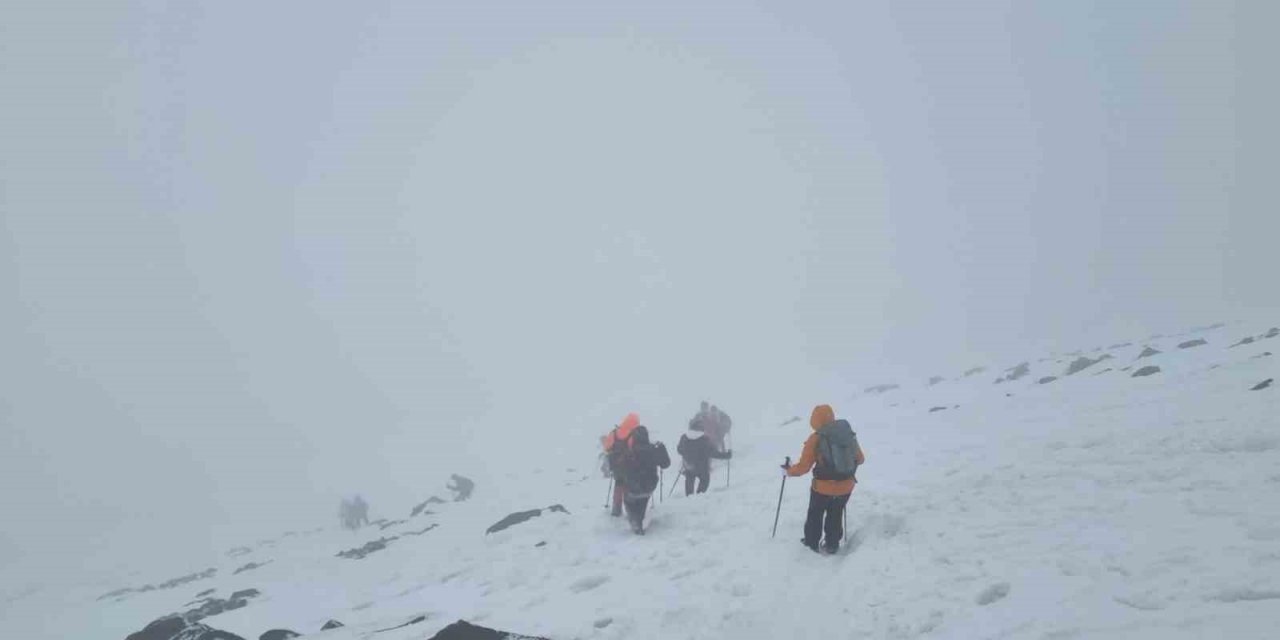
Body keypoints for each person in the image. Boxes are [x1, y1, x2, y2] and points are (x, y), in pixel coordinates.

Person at [783, 404, 865, 554]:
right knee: (836, 513)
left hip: (822, 487)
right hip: (846, 486)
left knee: (815, 513)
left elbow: (804, 467)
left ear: (814, 421)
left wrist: (789, 471)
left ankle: (811, 543)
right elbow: (860, 459)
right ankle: (832, 544)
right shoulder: (846, 433)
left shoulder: (816, 438)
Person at [615, 425, 670, 534]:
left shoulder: (628, 453)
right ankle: (638, 522)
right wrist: (661, 450)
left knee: (631, 502)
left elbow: (619, 472)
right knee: (641, 502)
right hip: (649, 487)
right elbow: (666, 464)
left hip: (633, 489)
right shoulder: (654, 450)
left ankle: (636, 522)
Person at [676, 419, 732, 495]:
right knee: (705, 480)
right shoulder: (704, 439)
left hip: (688, 465)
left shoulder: (684, 437)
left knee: (689, 479)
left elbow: (679, 450)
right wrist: (726, 455)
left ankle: (689, 497)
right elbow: (713, 453)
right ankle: (699, 495)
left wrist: (687, 454)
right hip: (702, 467)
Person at [602, 413, 641, 517]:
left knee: (618, 484)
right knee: (629, 487)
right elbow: (636, 451)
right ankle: (630, 510)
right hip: (629, 467)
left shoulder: (614, 433)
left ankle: (616, 509)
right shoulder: (634, 434)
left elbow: (606, 448)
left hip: (616, 466)